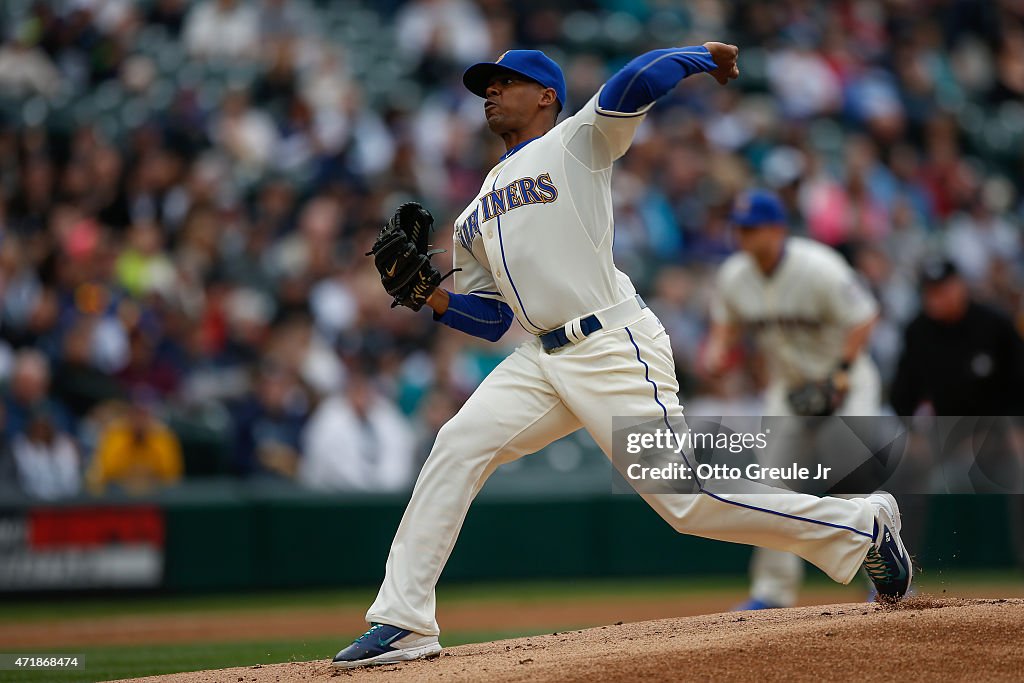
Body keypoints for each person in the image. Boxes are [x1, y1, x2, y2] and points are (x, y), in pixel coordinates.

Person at [332, 45, 912, 669]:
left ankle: (862, 525)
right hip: (540, 358)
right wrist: (433, 298)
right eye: (486, 85)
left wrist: (697, 57)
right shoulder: (473, 211)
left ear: (547, 95)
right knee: (456, 443)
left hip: (611, 345)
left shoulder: (575, 144)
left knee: (686, 503)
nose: (491, 92)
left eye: (507, 82)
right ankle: (404, 620)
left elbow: (633, 82)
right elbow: (495, 316)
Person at [703, 189, 883, 610]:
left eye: (753, 229)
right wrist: (716, 351)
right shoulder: (735, 275)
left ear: (778, 229)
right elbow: (724, 326)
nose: (744, 237)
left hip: (846, 382)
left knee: (853, 485)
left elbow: (863, 316)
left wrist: (840, 373)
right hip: (790, 389)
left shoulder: (818, 266)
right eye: (740, 229)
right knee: (771, 488)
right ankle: (771, 591)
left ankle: (885, 581)